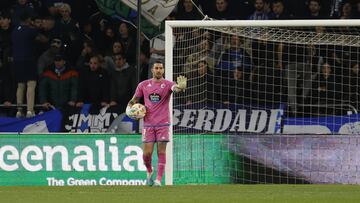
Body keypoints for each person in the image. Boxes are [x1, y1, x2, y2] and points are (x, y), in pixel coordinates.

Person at [126, 61, 187, 187]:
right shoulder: (143, 85)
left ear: (163, 70)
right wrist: (129, 110)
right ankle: (149, 171)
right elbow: (134, 100)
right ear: (152, 70)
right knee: (146, 154)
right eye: (156, 68)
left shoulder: (168, 84)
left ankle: (159, 180)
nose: (158, 70)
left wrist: (180, 87)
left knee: (161, 151)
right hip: (148, 124)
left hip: (163, 123)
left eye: (160, 68)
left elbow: (175, 89)